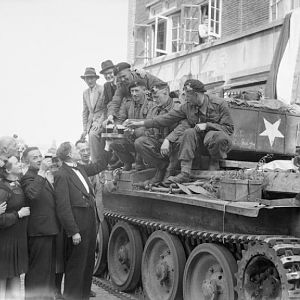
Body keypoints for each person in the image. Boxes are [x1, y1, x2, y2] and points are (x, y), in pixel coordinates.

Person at [126, 79, 234, 183]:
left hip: (215, 143)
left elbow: (229, 128)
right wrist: (140, 124)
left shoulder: (219, 104)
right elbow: (166, 118)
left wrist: (207, 125)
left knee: (215, 136)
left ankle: (214, 161)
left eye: (187, 96)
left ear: (195, 94)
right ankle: (184, 173)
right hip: (196, 144)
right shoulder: (188, 107)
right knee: (189, 132)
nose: (185, 99)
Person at [54, 142, 109, 300]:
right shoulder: (61, 174)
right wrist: (73, 231)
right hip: (78, 226)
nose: (81, 151)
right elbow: (63, 207)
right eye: (76, 149)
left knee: (87, 263)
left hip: (89, 224)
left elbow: (100, 165)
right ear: (70, 154)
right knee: (76, 265)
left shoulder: (80, 168)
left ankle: (83, 295)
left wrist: (107, 147)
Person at [21, 147, 60, 299]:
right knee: (38, 271)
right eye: (34, 157)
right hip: (39, 232)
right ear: (26, 161)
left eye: (39, 156)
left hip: (48, 229)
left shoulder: (41, 176)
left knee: (48, 272)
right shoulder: (28, 177)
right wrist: (43, 173)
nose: (39, 159)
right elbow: (32, 194)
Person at [134, 82, 190, 184]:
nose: (154, 100)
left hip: (174, 145)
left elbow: (184, 126)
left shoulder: (179, 107)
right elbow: (149, 129)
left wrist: (168, 139)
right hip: (159, 144)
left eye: (157, 97)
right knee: (139, 142)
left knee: (182, 139)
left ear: (165, 92)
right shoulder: (154, 109)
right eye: (153, 97)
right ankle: (161, 167)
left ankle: (170, 171)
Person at [0, 155, 30, 299]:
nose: (19, 163)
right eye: (16, 162)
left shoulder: (17, 184)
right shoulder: (2, 190)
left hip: (15, 242)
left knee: (15, 279)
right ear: (7, 169)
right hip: (5, 244)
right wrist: (18, 214)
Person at [109, 80, 156, 171]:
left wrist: (132, 123)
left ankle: (139, 161)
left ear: (144, 90)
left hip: (148, 136)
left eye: (137, 91)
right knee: (111, 133)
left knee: (140, 132)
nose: (134, 94)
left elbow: (151, 122)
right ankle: (127, 162)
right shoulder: (127, 104)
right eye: (132, 91)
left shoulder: (152, 103)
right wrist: (120, 127)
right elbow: (120, 119)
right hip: (130, 135)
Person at [80, 67, 105, 162]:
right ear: (85, 80)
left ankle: (96, 163)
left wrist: (99, 122)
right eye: (87, 78)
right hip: (91, 123)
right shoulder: (85, 93)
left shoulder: (102, 89)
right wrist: (85, 129)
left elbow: (106, 108)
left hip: (102, 120)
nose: (89, 80)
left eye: (92, 78)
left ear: (96, 78)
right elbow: (85, 112)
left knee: (93, 135)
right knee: (85, 138)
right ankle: (95, 163)